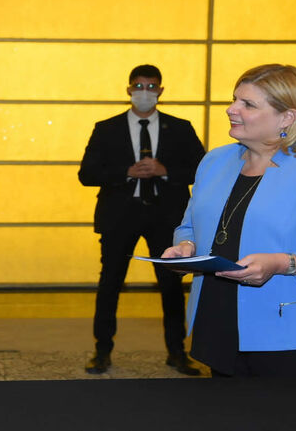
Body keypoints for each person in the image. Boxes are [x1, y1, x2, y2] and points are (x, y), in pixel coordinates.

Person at [161, 64, 296, 377]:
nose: (231, 109)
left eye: (248, 104)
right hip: (218, 320)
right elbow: (191, 224)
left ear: (287, 117)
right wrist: (186, 246)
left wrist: (282, 263)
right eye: (234, 99)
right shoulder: (214, 161)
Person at [79, 64, 205, 375]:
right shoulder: (106, 128)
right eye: (139, 86)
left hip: (166, 216)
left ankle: (177, 352)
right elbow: (87, 174)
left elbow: (203, 171)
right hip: (120, 215)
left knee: (171, 286)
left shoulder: (180, 127)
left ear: (161, 91)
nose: (144, 92)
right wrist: (125, 173)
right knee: (110, 283)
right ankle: (102, 351)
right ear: (128, 90)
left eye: (151, 87)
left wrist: (166, 172)